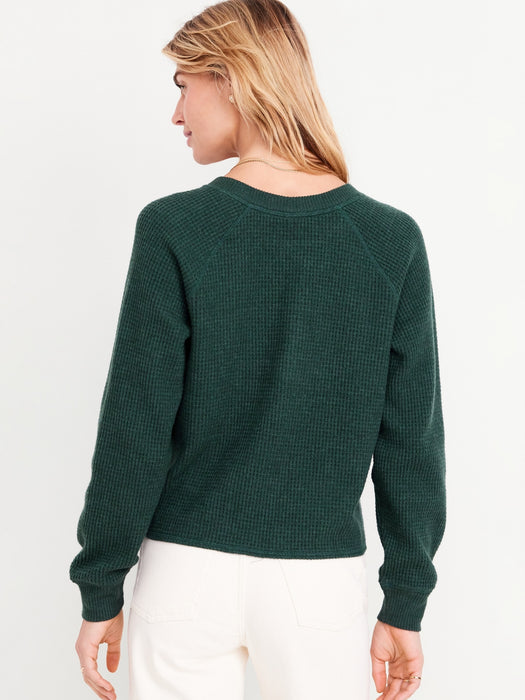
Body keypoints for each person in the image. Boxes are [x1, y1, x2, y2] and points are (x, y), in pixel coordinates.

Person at [70, 1, 446, 699]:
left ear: (233, 78)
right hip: (318, 585)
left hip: (182, 575)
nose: (176, 114)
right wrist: (404, 599)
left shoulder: (175, 228)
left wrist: (101, 584)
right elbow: (410, 444)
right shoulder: (388, 240)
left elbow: (135, 427)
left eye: (183, 85)